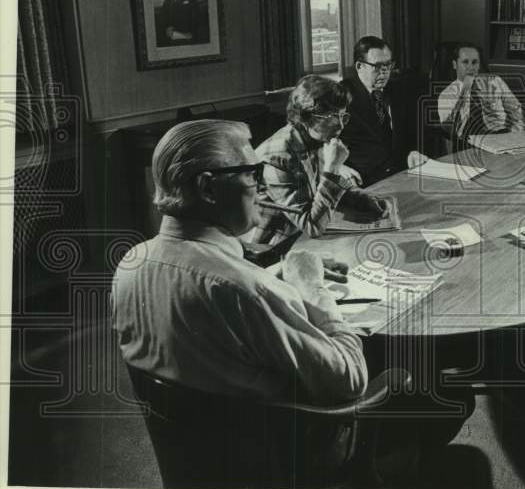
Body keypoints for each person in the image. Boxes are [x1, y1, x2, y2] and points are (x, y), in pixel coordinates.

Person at [111, 119, 367, 405]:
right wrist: (312, 289)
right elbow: (349, 379)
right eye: (253, 174)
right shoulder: (248, 293)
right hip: (283, 444)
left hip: (183, 445)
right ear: (208, 187)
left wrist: (273, 276)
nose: (261, 187)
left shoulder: (129, 264)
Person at [251, 75, 389, 248]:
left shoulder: (315, 139)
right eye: (332, 116)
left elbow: (323, 190)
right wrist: (333, 168)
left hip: (303, 238)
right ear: (306, 116)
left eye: (342, 116)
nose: (340, 126)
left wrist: (363, 199)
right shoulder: (277, 157)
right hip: (274, 248)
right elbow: (312, 225)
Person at [339, 36, 425, 186]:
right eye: (378, 66)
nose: (385, 72)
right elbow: (321, 140)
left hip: (401, 173)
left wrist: (413, 151)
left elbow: (411, 132)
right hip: (363, 179)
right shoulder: (340, 95)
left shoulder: (399, 89)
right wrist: (337, 167)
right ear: (359, 66)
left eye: (388, 65)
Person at [437, 43, 525, 146]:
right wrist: (464, 93)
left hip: (501, 138)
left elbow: (515, 110)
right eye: (465, 62)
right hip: (468, 143)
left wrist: (516, 136)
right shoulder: (447, 94)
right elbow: (447, 128)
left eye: (475, 62)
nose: (471, 67)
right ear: (455, 65)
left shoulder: (495, 82)